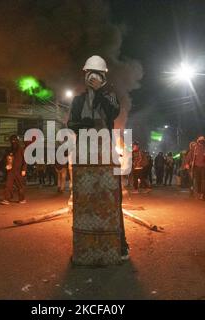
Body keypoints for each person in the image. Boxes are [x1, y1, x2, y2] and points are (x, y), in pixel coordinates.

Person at [67, 55, 129, 260]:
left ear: (104, 76)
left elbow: (113, 113)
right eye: (90, 73)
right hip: (85, 158)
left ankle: (120, 247)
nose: (93, 77)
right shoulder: (78, 100)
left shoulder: (109, 97)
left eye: (98, 74)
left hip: (105, 157)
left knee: (112, 201)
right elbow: (71, 124)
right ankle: (86, 248)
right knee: (85, 200)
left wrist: (100, 92)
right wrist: (83, 124)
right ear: (85, 75)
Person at [1, 135, 27, 205]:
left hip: (19, 171)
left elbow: (25, 160)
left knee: (20, 186)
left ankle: (22, 199)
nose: (13, 142)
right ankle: (7, 199)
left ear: (17, 141)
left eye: (14, 141)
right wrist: (6, 165)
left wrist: (24, 169)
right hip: (11, 171)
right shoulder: (9, 150)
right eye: (12, 141)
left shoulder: (21, 149)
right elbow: (5, 159)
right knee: (8, 185)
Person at [186, 136, 205, 200]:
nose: (202, 141)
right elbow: (189, 155)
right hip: (196, 167)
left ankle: (203, 194)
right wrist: (187, 163)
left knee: (203, 180)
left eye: (203, 140)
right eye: (200, 140)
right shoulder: (195, 147)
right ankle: (199, 192)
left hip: (204, 166)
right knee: (198, 180)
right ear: (198, 140)